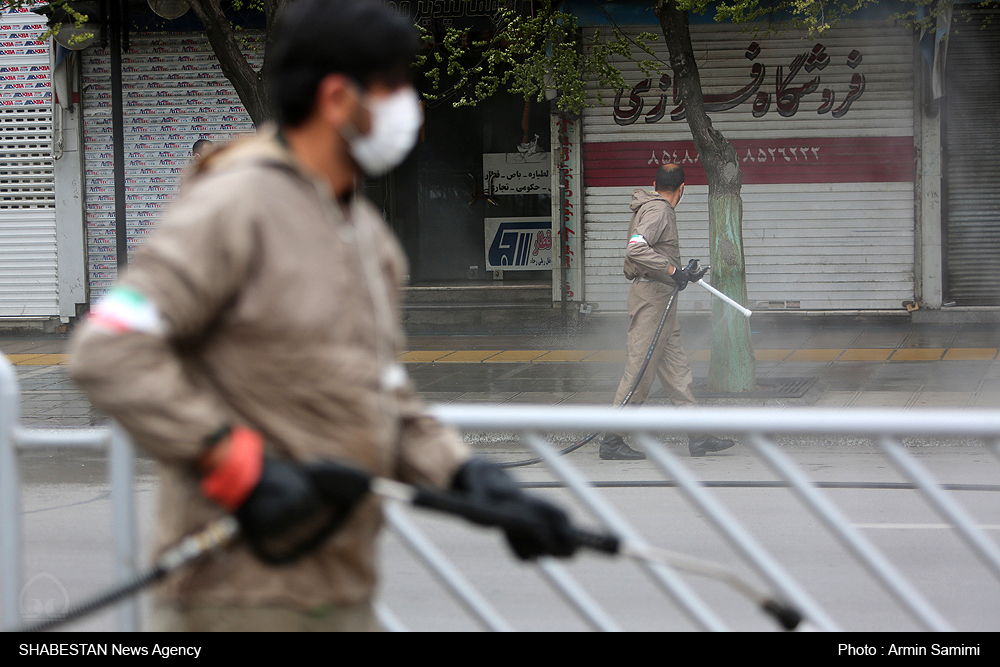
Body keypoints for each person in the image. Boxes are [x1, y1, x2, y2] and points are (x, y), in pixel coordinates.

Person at [68, 0, 576, 632]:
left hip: (338, 583)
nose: (408, 106)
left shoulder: (366, 237)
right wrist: (235, 467)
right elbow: (110, 347)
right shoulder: (234, 204)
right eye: (394, 86)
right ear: (338, 98)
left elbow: (381, 393)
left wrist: (467, 474)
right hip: (238, 591)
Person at [599, 163, 737, 460]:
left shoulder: (652, 208)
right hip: (651, 301)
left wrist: (682, 273)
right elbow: (636, 248)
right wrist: (673, 270)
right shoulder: (660, 211)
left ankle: (698, 436)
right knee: (639, 371)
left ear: (655, 183)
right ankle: (611, 439)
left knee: (677, 373)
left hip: (661, 300)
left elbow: (655, 255)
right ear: (682, 188)